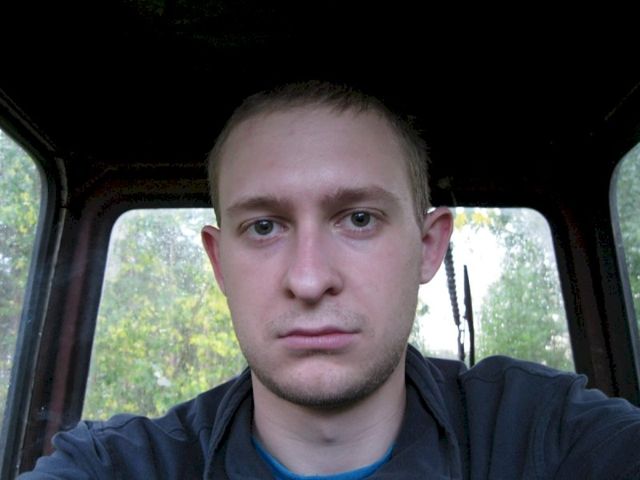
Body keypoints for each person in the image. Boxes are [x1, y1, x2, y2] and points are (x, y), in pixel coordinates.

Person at [21, 81, 640, 479]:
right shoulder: (120, 467)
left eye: (359, 219)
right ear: (219, 263)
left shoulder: (548, 437)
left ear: (428, 247)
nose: (310, 279)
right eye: (264, 226)